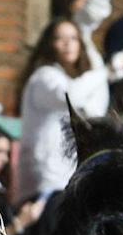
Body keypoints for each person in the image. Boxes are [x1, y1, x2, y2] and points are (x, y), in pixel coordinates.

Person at [16, 15, 109, 208]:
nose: (68, 44)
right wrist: (105, 71)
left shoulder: (70, 80)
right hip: (44, 183)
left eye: (74, 38)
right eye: (61, 38)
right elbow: (70, 97)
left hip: (65, 180)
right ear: (49, 44)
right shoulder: (44, 77)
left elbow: (95, 112)